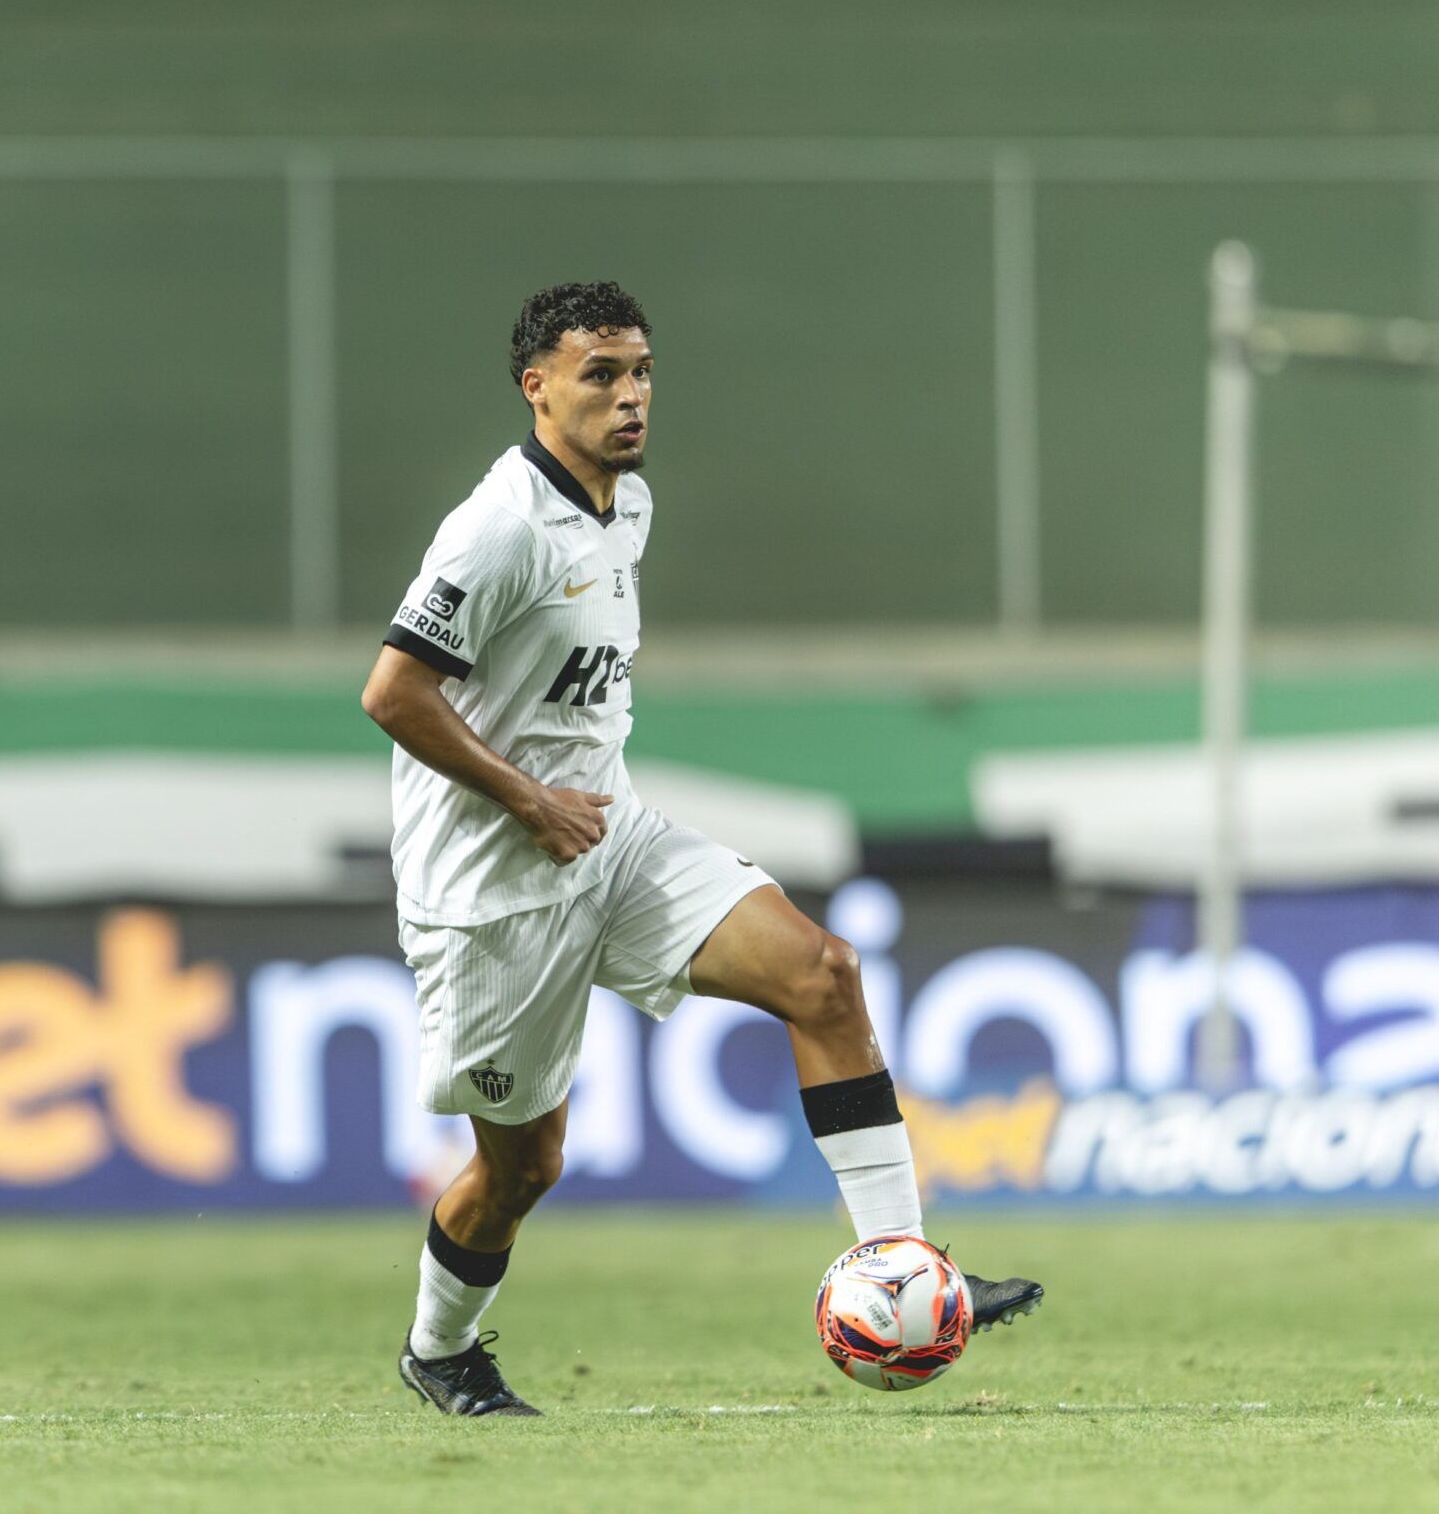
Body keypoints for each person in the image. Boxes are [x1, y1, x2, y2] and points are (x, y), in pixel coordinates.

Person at [361, 281, 1042, 1417]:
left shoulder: (627, 506)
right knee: (523, 1169)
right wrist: (529, 800)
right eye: (600, 376)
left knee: (823, 975)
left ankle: (901, 1261)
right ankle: (440, 1349)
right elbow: (392, 692)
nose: (630, 398)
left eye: (641, 374)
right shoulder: (499, 529)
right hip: (495, 888)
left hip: (614, 840)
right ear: (537, 387)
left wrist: (570, 801)